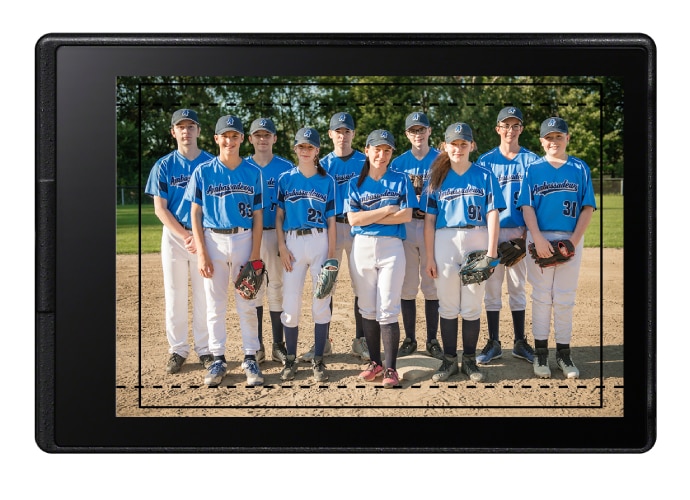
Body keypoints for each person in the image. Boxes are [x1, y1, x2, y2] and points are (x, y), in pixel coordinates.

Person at [184, 114, 265, 387]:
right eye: (224, 136)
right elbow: (195, 213)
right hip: (213, 240)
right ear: (216, 139)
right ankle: (218, 358)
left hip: (243, 240)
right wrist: (202, 253)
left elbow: (257, 216)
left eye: (234, 135)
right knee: (214, 305)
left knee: (247, 303)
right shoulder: (203, 171)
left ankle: (250, 356)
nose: (229, 140)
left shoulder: (253, 172)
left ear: (242, 138)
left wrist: (255, 254)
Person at [423, 122, 505, 383]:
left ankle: (469, 360)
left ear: (472, 145)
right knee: (447, 305)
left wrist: (491, 253)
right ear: (444, 146)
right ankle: (449, 360)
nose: (458, 148)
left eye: (463, 143)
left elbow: (493, 214)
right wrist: (429, 257)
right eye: (453, 144)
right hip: (445, 240)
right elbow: (428, 220)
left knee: (471, 305)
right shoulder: (436, 175)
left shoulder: (484, 174)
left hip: (477, 238)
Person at [516, 117, 596, 379]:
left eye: (558, 137)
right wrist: (537, 239)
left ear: (567, 138)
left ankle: (563, 354)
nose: (554, 141)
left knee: (564, 297)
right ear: (541, 141)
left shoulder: (580, 168)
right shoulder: (533, 169)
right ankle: (541, 355)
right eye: (549, 137)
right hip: (539, 237)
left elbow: (587, 208)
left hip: (570, 238)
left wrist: (573, 240)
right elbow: (527, 206)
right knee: (540, 295)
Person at [144, 108, 215, 375]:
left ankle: (205, 349)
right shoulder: (164, 165)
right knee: (175, 294)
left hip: (206, 236)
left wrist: (198, 237)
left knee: (204, 295)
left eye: (191, 126)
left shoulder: (211, 163)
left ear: (198, 131)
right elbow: (160, 209)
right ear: (173, 132)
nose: (186, 131)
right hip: (175, 237)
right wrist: (186, 236)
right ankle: (178, 349)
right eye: (181, 127)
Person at [346, 129, 418, 388]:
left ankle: (391, 369)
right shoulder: (355, 182)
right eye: (377, 149)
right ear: (367, 150)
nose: (382, 154)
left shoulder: (400, 179)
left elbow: (407, 215)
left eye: (387, 150)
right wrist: (386, 210)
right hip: (362, 247)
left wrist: (370, 216)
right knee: (367, 306)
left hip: (391, 248)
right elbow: (353, 219)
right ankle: (374, 362)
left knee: (387, 307)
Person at [474, 106, 541, 365]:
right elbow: (480, 201)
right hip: (492, 232)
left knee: (517, 289)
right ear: (498, 129)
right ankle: (493, 342)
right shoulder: (486, 161)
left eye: (515, 125)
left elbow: (537, 201)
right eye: (506, 125)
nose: (510, 130)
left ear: (521, 129)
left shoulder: (533, 161)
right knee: (491, 289)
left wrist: (525, 239)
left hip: (520, 233)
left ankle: (520, 342)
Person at [275, 127, 337, 382]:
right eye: (301, 146)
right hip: (292, 243)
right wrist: (281, 246)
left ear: (317, 151)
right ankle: (290, 359)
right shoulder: (285, 179)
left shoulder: (327, 180)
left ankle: (318, 359)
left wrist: (331, 257)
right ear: (295, 149)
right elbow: (279, 217)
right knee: (290, 304)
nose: (305, 151)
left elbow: (332, 221)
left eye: (310, 147)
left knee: (320, 302)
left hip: (320, 241)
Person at [311, 111, 369, 363]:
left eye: (347, 131)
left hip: (358, 228)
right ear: (330, 134)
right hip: (331, 228)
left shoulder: (365, 161)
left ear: (354, 134)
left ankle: (361, 340)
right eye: (338, 131)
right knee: (326, 282)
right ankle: (323, 342)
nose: (342, 136)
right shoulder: (321, 164)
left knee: (362, 284)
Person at [390, 111, 443, 360]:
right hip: (408, 226)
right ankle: (410, 338)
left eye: (422, 129)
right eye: (413, 131)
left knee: (432, 284)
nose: (418, 134)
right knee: (408, 285)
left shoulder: (442, 159)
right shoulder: (398, 163)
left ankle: (432, 339)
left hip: (433, 227)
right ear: (406, 135)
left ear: (430, 131)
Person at [245, 117, 295, 366]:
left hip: (276, 235)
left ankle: (278, 345)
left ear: (275, 138)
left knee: (277, 289)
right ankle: (256, 346)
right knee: (253, 290)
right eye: (258, 135)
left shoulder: (286, 168)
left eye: (267, 135)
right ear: (250, 138)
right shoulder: (241, 167)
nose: (262, 139)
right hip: (248, 236)